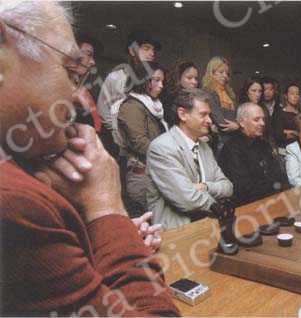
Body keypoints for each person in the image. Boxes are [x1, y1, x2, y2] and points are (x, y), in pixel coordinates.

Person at [0, 1, 178, 315]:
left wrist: (109, 237)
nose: (78, 96)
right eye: (71, 72)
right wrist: (106, 207)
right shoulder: (15, 204)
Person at [147, 89, 233, 230]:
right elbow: (187, 200)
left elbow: (228, 187)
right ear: (183, 114)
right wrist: (218, 207)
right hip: (177, 234)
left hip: (208, 228)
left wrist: (205, 186)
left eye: (209, 115)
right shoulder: (161, 148)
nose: (210, 121)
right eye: (203, 115)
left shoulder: (205, 147)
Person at [97, 29, 161, 157]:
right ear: (132, 51)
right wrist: (120, 131)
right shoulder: (116, 77)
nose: (151, 53)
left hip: (151, 146)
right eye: (146, 48)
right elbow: (103, 110)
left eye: (153, 50)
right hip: (122, 149)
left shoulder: (156, 79)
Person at [117, 62, 168, 216]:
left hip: (156, 173)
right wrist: (170, 155)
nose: (161, 86)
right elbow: (139, 142)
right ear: (142, 80)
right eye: (156, 80)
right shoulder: (132, 106)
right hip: (142, 177)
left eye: (163, 81)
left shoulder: (154, 106)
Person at [219, 103, 289, 205]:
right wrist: (275, 186)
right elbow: (243, 188)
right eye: (256, 120)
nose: (262, 123)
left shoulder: (264, 144)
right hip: (249, 206)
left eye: (263, 119)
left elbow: (279, 174)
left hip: (275, 200)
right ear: (242, 122)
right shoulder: (232, 148)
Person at [201, 56, 239, 154]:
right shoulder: (208, 92)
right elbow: (221, 122)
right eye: (221, 72)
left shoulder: (230, 93)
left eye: (227, 73)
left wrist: (238, 125)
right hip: (221, 141)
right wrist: (238, 125)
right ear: (212, 73)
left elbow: (239, 116)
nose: (225, 76)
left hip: (234, 140)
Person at [162, 59, 199, 125]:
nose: (194, 82)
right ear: (178, 78)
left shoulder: (198, 97)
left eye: (196, 78)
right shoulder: (170, 100)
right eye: (189, 78)